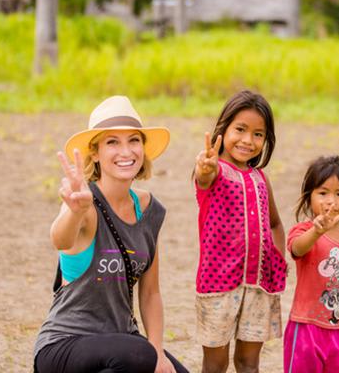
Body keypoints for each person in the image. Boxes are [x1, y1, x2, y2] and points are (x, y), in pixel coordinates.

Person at [33, 96, 188, 373]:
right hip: (65, 345)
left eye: (134, 141)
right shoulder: (85, 203)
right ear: (95, 153)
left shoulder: (150, 210)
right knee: (139, 355)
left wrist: (158, 353)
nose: (125, 151)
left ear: (143, 149)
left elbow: (151, 293)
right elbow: (60, 239)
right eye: (112, 142)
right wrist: (74, 211)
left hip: (121, 342)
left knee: (161, 364)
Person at [193, 90, 287, 373]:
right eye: (241, 130)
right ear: (224, 129)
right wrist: (205, 168)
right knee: (215, 364)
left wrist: (278, 259)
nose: (248, 140)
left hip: (258, 286)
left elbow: (274, 224)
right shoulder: (215, 170)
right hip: (218, 285)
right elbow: (204, 178)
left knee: (249, 363)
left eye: (258, 134)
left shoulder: (260, 179)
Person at [283, 155, 339, 373]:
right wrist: (316, 232)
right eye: (323, 193)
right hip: (306, 327)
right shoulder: (304, 231)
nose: (331, 201)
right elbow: (297, 249)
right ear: (309, 198)